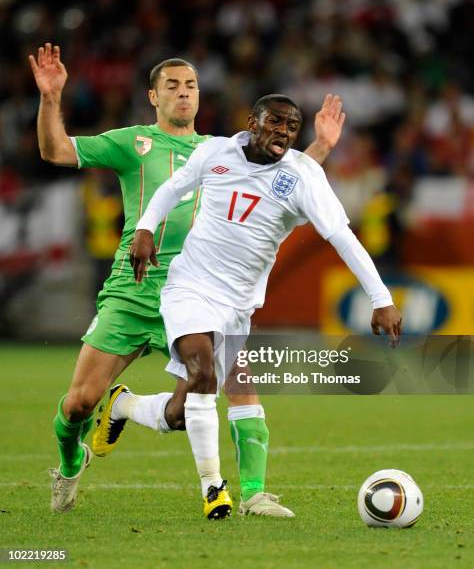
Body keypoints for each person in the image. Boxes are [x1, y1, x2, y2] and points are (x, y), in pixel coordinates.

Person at [28, 43, 345, 517]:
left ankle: (247, 490)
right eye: (171, 86)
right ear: (152, 96)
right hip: (136, 289)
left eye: (191, 85)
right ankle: (71, 462)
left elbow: (289, 177)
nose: (183, 93)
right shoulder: (130, 141)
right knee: (78, 405)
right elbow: (55, 150)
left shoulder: (224, 149)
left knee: (195, 407)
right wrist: (51, 97)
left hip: (205, 293)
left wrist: (320, 146)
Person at [129, 94, 402, 519]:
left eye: (293, 127)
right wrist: (145, 228)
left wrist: (381, 297)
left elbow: (342, 236)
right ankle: (215, 491)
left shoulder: (303, 176)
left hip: (238, 306)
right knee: (206, 373)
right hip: (190, 287)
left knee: (182, 411)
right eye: (275, 121)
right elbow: (172, 188)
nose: (284, 131)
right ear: (251, 122)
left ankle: (124, 405)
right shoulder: (215, 151)